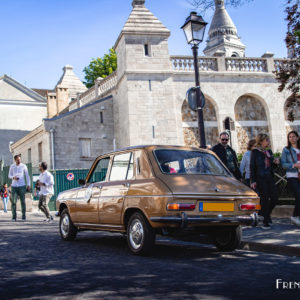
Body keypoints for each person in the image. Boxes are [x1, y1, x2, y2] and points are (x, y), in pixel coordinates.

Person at [250, 133, 279, 229]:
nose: (268, 142)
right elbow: (252, 167)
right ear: (261, 141)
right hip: (260, 179)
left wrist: (275, 163)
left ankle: (265, 215)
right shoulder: (255, 152)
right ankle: (265, 221)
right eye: (267, 140)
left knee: (275, 197)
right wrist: (253, 180)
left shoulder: (269, 151)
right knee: (265, 199)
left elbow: (272, 166)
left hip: (269, 178)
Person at [281, 131, 300, 226]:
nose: (292, 138)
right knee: (299, 195)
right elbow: (283, 164)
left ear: (297, 137)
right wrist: (294, 165)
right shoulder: (286, 150)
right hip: (292, 176)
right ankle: (294, 216)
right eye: (290, 137)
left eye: (293, 136)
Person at [8, 155, 31, 221]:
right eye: (18, 160)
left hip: (22, 186)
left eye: (20, 159)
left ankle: (23, 216)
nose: (19, 161)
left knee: (23, 202)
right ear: (15, 160)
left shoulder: (23, 166)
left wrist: (28, 185)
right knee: (13, 202)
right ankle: (13, 217)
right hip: (14, 186)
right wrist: (13, 177)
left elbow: (27, 175)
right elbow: (9, 175)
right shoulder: (12, 166)